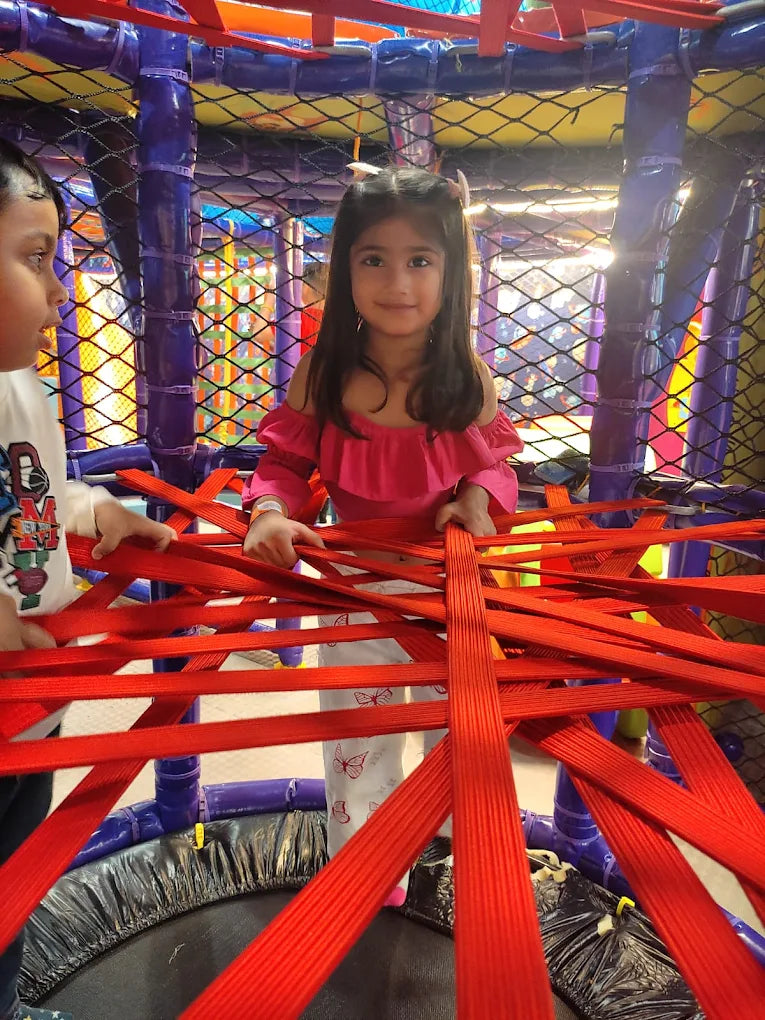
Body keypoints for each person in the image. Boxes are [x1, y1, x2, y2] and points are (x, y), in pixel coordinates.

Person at [241, 167, 522, 906]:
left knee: (456, 731)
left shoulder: (465, 377)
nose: (396, 282)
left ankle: (454, 846)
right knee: (356, 735)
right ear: (343, 271)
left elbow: (495, 472)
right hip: (353, 585)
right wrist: (268, 511)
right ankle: (370, 867)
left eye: (419, 260)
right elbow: (283, 465)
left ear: (450, 272)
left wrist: (474, 501)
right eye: (374, 259)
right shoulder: (322, 375)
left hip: (446, 588)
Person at [0, 139, 175, 1020]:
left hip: (40, 695)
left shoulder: (20, 385)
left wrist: (94, 510)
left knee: (17, 872)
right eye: (34, 260)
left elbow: (37, 487)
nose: (58, 290)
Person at [299, 261, 327, 356]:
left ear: (306, 288)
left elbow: (260, 333)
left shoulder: (301, 318)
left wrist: (269, 299)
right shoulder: (339, 318)